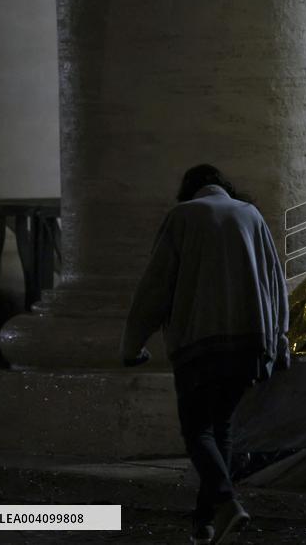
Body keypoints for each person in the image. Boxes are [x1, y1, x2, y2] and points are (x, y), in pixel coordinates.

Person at [121, 164, 290, 545]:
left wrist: (132, 344)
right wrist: (279, 340)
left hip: (199, 344)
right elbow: (276, 283)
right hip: (250, 342)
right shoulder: (251, 216)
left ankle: (227, 502)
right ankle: (205, 523)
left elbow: (156, 287)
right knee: (222, 429)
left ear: (189, 190)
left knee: (197, 431)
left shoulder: (182, 217)